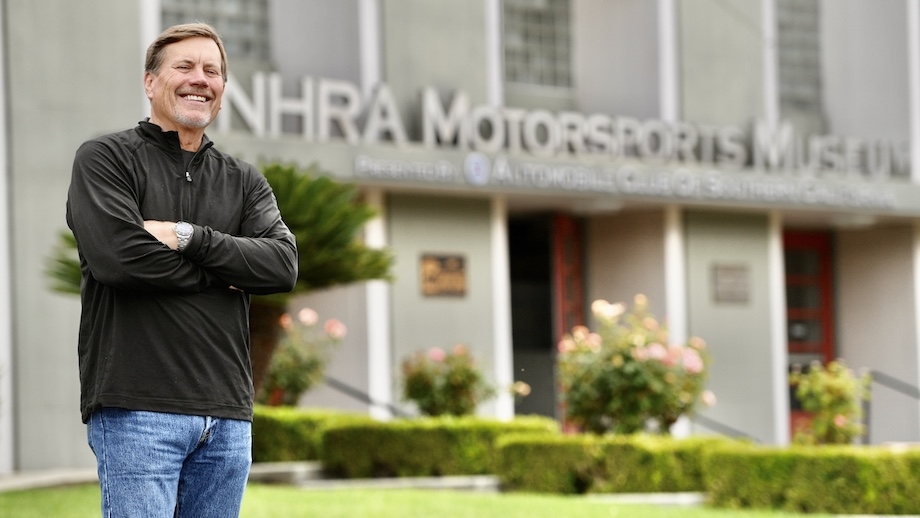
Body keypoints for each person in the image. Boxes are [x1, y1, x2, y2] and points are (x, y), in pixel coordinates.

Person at [66, 22, 298, 517]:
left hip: (227, 417)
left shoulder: (244, 181)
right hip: (137, 409)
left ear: (222, 89)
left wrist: (189, 237)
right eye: (185, 66)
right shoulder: (105, 160)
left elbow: (280, 266)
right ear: (150, 82)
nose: (201, 79)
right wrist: (227, 273)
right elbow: (120, 259)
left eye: (212, 70)